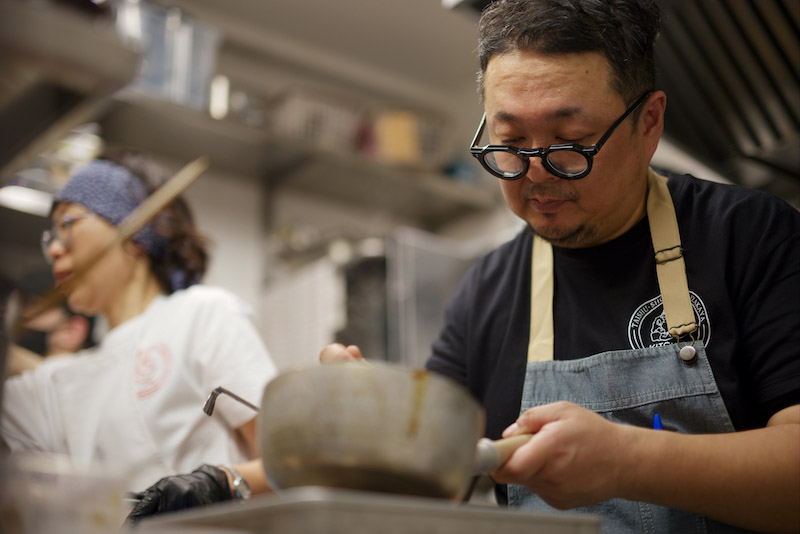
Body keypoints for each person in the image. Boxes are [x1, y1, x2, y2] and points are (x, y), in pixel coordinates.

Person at [127, 0, 800, 531]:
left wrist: (628, 460)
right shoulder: (487, 291)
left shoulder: (752, 236)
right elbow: (432, 473)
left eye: (569, 143)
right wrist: (236, 480)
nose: (535, 174)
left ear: (648, 123)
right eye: (509, 143)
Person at [0, 148, 278, 505]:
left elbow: (287, 464)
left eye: (67, 225)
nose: (54, 249)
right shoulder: (58, 381)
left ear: (134, 234)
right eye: (49, 237)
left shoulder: (203, 315)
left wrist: (217, 484)